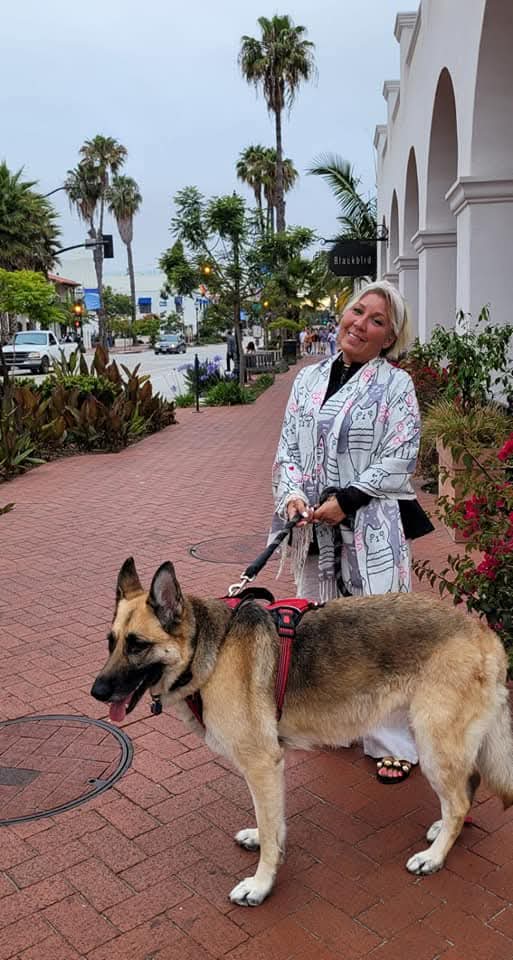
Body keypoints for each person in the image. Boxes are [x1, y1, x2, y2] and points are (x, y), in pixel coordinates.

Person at [270, 280, 434, 784]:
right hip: (313, 528)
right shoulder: (308, 379)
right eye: (357, 312)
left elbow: (401, 455)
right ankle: (338, 721)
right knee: (324, 631)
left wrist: (347, 500)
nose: (361, 324)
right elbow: (288, 449)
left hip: (370, 525)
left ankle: (391, 740)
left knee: (378, 633)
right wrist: (293, 495)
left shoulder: (395, 386)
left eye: (376, 321)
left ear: (390, 337)